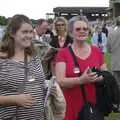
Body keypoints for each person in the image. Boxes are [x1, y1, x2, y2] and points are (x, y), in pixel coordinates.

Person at [55, 15, 107, 120]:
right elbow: (60, 81)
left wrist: (98, 78)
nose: (82, 31)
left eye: (85, 29)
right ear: (70, 32)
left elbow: (106, 75)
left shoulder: (97, 51)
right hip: (71, 106)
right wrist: (81, 80)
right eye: (78, 29)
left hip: (94, 106)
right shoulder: (62, 54)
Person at [0, 14, 46, 120]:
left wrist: (49, 89)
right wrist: (14, 99)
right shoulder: (2, 60)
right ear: (12, 33)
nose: (29, 36)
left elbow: (39, 83)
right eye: (24, 32)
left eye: (31, 32)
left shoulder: (35, 58)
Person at [107, 16, 120, 89]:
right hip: (115, 62)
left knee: (117, 84)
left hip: (115, 62)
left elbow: (108, 49)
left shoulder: (111, 34)